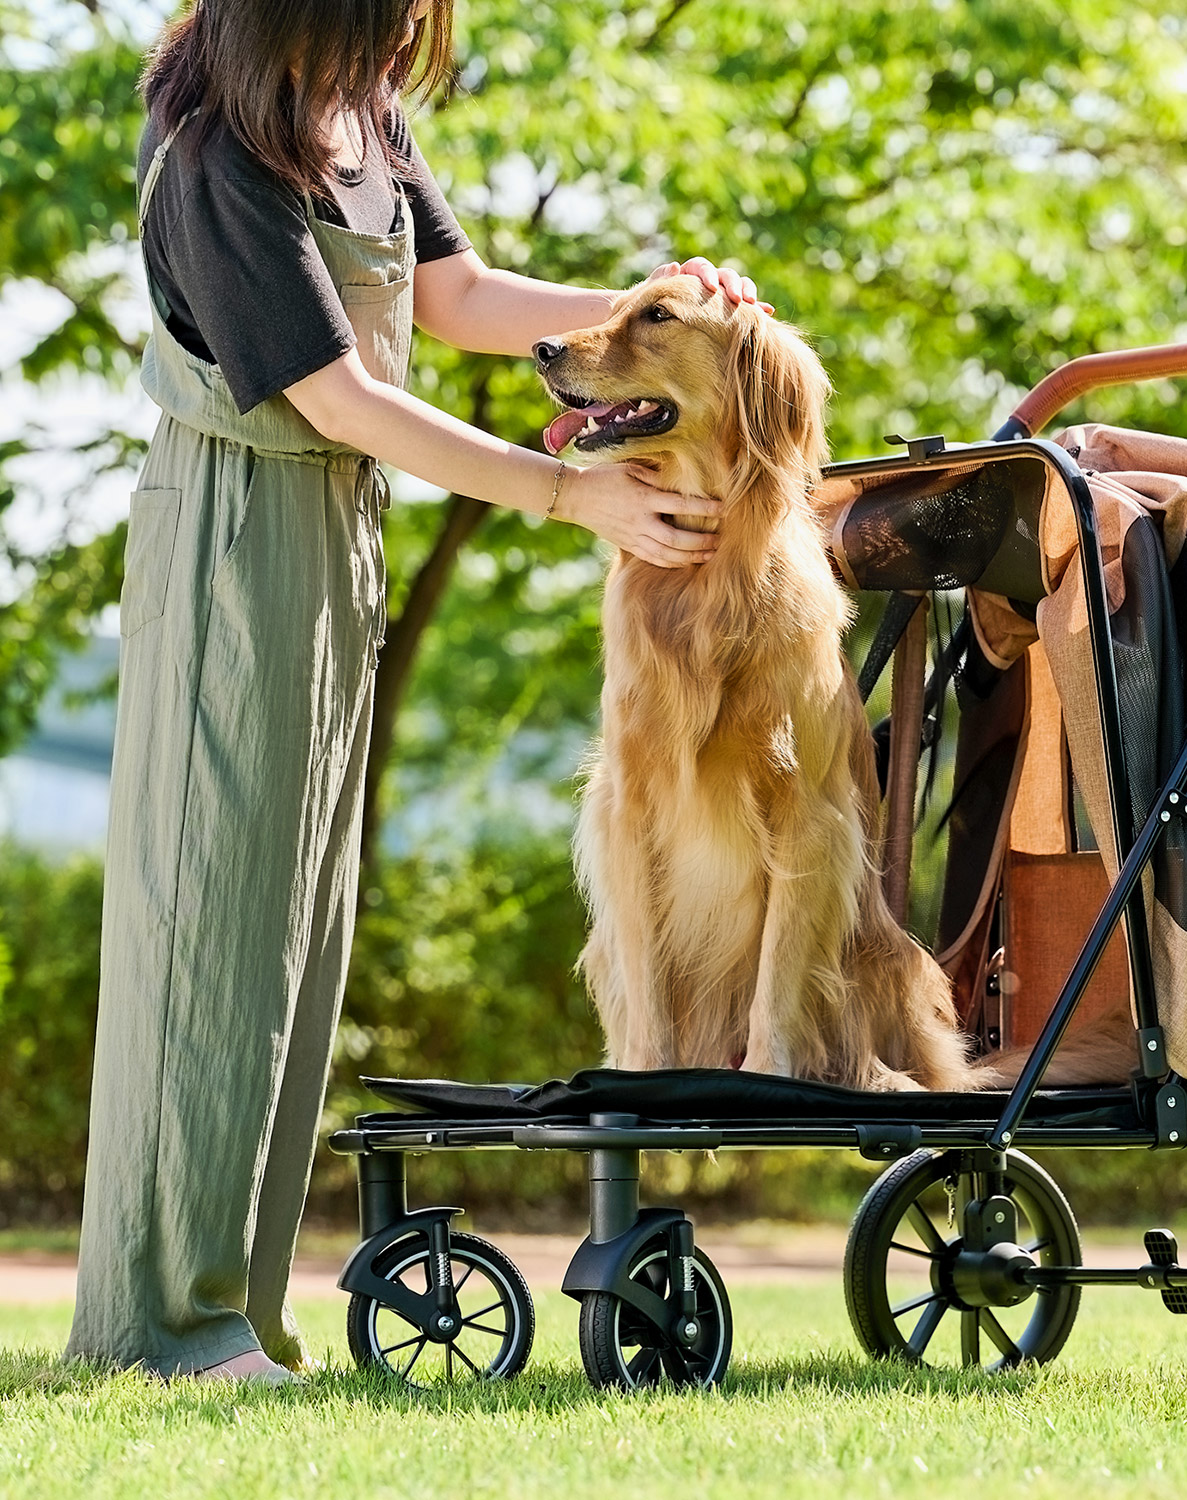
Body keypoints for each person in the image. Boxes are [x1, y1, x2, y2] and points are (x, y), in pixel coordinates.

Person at [65, 0, 765, 1384]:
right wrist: (572, 495)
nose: (407, 47)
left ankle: (233, 1316)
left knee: (288, 940)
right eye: (392, 18)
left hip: (335, 537)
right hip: (235, 528)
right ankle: (164, 1326)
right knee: (211, 921)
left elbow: (455, 299)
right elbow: (342, 398)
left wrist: (653, 309)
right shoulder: (220, 150)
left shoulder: (354, 120)